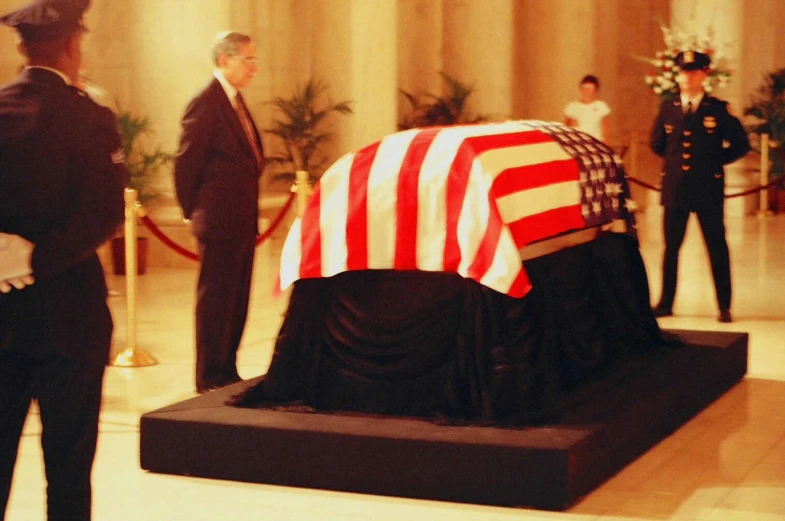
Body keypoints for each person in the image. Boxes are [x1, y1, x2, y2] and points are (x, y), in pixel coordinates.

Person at [0, 0, 126, 519]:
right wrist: (40, 256)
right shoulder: (89, 118)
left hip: (2, 316)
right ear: (74, 46)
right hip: (69, 319)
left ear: (20, 47)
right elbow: (104, 214)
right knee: (68, 469)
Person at [174, 31, 264, 394]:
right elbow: (186, 162)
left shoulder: (236, 101)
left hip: (242, 219)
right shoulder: (206, 102)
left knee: (237, 298)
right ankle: (209, 375)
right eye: (248, 59)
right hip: (218, 219)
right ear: (225, 60)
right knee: (216, 301)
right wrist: (191, 212)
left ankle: (227, 368)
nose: (255, 68)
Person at [649, 50, 749, 323]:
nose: (687, 77)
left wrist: (716, 162)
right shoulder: (668, 109)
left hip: (708, 189)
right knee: (671, 248)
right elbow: (656, 144)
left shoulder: (717, 109)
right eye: (683, 71)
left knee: (716, 247)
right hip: (676, 190)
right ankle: (666, 302)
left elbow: (741, 144)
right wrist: (674, 166)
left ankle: (724, 306)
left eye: (693, 72)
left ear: (705, 74)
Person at [564, 74, 611, 143]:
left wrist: (606, 146)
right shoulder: (572, 106)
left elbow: (605, 129)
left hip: (596, 144)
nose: (586, 91)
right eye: (584, 88)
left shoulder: (601, 106)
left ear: (595, 90)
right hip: (578, 143)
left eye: (590, 88)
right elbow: (567, 128)